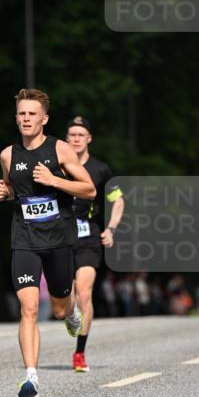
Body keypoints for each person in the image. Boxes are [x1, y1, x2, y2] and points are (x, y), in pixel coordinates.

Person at [0, 88, 95, 397]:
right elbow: (12, 188)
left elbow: (88, 189)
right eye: (22, 114)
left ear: (44, 119)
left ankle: (71, 308)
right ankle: (31, 378)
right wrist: (3, 192)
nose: (26, 119)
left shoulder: (61, 150)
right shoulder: (8, 154)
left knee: (61, 309)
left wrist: (54, 180)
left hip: (59, 240)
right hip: (24, 239)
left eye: (32, 114)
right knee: (30, 308)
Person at [64, 116, 125, 371]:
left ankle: (79, 353)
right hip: (61, 235)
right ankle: (70, 314)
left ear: (89, 139)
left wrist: (111, 229)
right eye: (72, 135)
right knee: (65, 295)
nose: (76, 139)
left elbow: (118, 200)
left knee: (84, 293)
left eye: (81, 135)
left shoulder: (101, 170)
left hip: (88, 234)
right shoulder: (57, 166)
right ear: (66, 140)